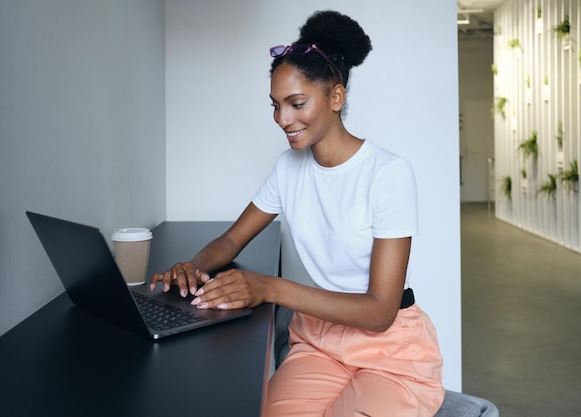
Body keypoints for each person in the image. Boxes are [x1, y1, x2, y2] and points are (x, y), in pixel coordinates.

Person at [150, 9, 444, 417]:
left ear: (336, 97)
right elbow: (232, 239)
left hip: (389, 350)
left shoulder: (388, 174)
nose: (282, 119)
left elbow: (379, 311)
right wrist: (192, 267)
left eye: (296, 103)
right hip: (319, 342)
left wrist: (270, 288)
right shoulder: (289, 168)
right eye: (275, 105)